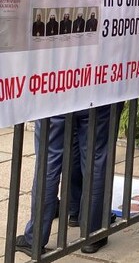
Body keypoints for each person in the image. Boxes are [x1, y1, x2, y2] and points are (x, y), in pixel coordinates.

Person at [15, 105, 119, 256]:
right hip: (95, 94)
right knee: (95, 159)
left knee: (48, 161)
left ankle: (35, 238)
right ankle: (93, 232)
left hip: (53, 96)